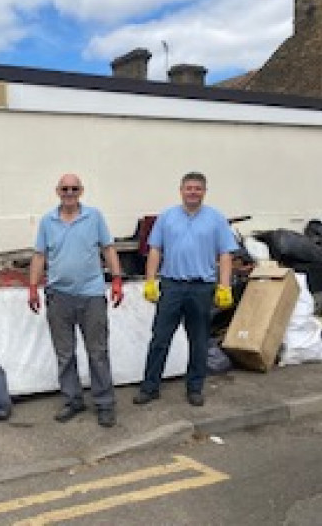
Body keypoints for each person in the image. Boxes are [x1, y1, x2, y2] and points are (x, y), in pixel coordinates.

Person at [133, 172, 237, 407]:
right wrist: (150, 280)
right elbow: (155, 250)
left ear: (204, 192)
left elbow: (225, 254)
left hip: (202, 288)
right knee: (160, 339)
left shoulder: (216, 219)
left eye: (197, 188)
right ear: (181, 190)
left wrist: (224, 285)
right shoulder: (167, 217)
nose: (193, 192)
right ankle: (150, 388)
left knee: (198, 341)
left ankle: (195, 388)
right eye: (188, 188)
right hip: (171, 286)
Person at [28, 173, 124, 428]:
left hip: (91, 294)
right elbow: (39, 255)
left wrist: (116, 280)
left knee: (98, 352)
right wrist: (32, 287)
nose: (69, 193)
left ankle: (104, 404)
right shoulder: (47, 221)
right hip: (59, 296)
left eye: (74, 188)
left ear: (81, 191)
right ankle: (72, 400)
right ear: (57, 191)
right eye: (64, 189)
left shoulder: (94, 217)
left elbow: (108, 249)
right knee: (65, 354)